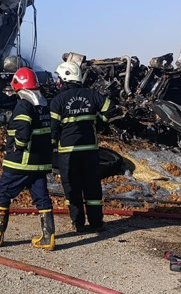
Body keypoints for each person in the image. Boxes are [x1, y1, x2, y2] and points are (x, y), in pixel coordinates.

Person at [0, 67, 55, 250]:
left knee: (3, 191)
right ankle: (48, 237)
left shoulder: (24, 104)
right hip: (40, 163)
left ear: (18, 86)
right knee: (41, 197)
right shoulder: (43, 105)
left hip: (21, 162)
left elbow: (23, 130)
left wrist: (19, 144)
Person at [50, 61, 114, 232]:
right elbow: (110, 108)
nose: (57, 82)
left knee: (72, 188)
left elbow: (53, 130)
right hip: (90, 152)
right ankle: (96, 223)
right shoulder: (92, 95)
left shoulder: (58, 101)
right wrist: (100, 123)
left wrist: (50, 148)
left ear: (65, 78)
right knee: (92, 186)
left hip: (68, 154)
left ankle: (78, 223)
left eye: (59, 78)